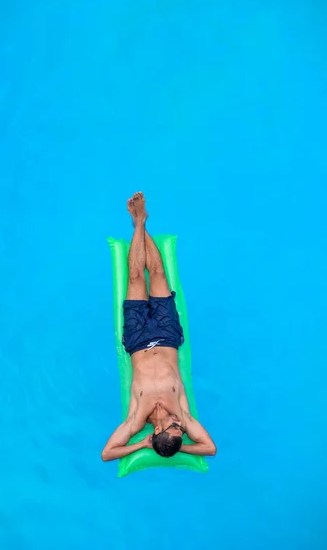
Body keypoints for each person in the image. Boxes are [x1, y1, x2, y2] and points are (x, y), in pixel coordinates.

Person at [101, 192, 217, 462]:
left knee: (134, 277)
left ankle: (138, 223)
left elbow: (107, 454)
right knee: (158, 274)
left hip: (138, 340)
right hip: (167, 337)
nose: (180, 424)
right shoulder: (184, 416)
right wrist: (183, 448)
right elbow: (210, 448)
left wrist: (142, 446)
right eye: (180, 429)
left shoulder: (137, 420)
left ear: (156, 432)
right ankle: (143, 221)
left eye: (174, 428)